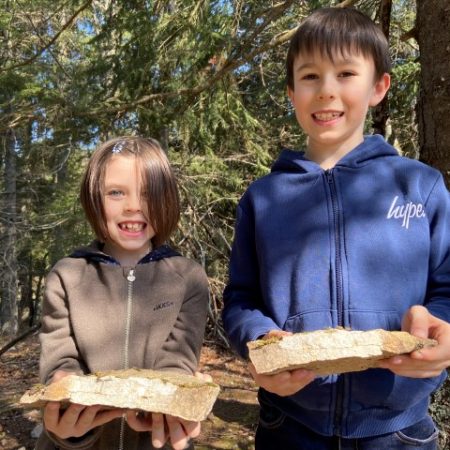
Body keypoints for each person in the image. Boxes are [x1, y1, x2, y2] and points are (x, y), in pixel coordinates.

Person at [222, 7, 450, 450]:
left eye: (346, 74)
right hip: (288, 427)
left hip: (400, 431)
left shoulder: (420, 186)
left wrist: (441, 327)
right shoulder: (263, 199)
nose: (327, 90)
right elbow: (241, 300)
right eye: (310, 76)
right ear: (291, 93)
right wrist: (261, 341)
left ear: (378, 86)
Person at [37, 136, 209, 450]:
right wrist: (66, 407)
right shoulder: (67, 275)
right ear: (94, 199)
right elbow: (60, 363)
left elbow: (178, 362)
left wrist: (171, 406)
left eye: (148, 193)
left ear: (167, 199)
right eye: (116, 192)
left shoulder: (187, 278)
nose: (133, 206)